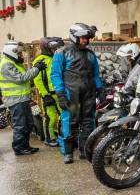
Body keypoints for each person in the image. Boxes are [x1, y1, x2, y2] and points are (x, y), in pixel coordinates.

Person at [50, 23, 104, 164]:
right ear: (74, 37)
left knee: (88, 121)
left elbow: (95, 75)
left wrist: (100, 89)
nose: (86, 40)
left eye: (87, 38)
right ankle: (67, 152)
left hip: (89, 94)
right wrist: (60, 94)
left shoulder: (90, 54)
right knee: (70, 122)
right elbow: (55, 75)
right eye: (83, 38)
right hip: (71, 96)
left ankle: (84, 151)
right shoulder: (61, 52)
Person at [0, 41, 45, 155]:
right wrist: (36, 68)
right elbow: (21, 78)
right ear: (12, 52)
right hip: (15, 100)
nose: (21, 55)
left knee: (28, 123)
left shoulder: (15, 62)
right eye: (19, 53)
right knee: (20, 125)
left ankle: (25, 145)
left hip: (22, 98)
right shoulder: (6, 64)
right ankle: (19, 148)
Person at [33, 37, 64, 147]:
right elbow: (37, 80)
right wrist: (45, 95)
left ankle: (60, 136)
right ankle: (49, 138)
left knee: (62, 116)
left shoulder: (56, 57)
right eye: (52, 49)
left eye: (55, 48)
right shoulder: (40, 60)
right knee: (50, 117)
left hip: (58, 92)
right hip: (48, 94)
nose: (54, 50)